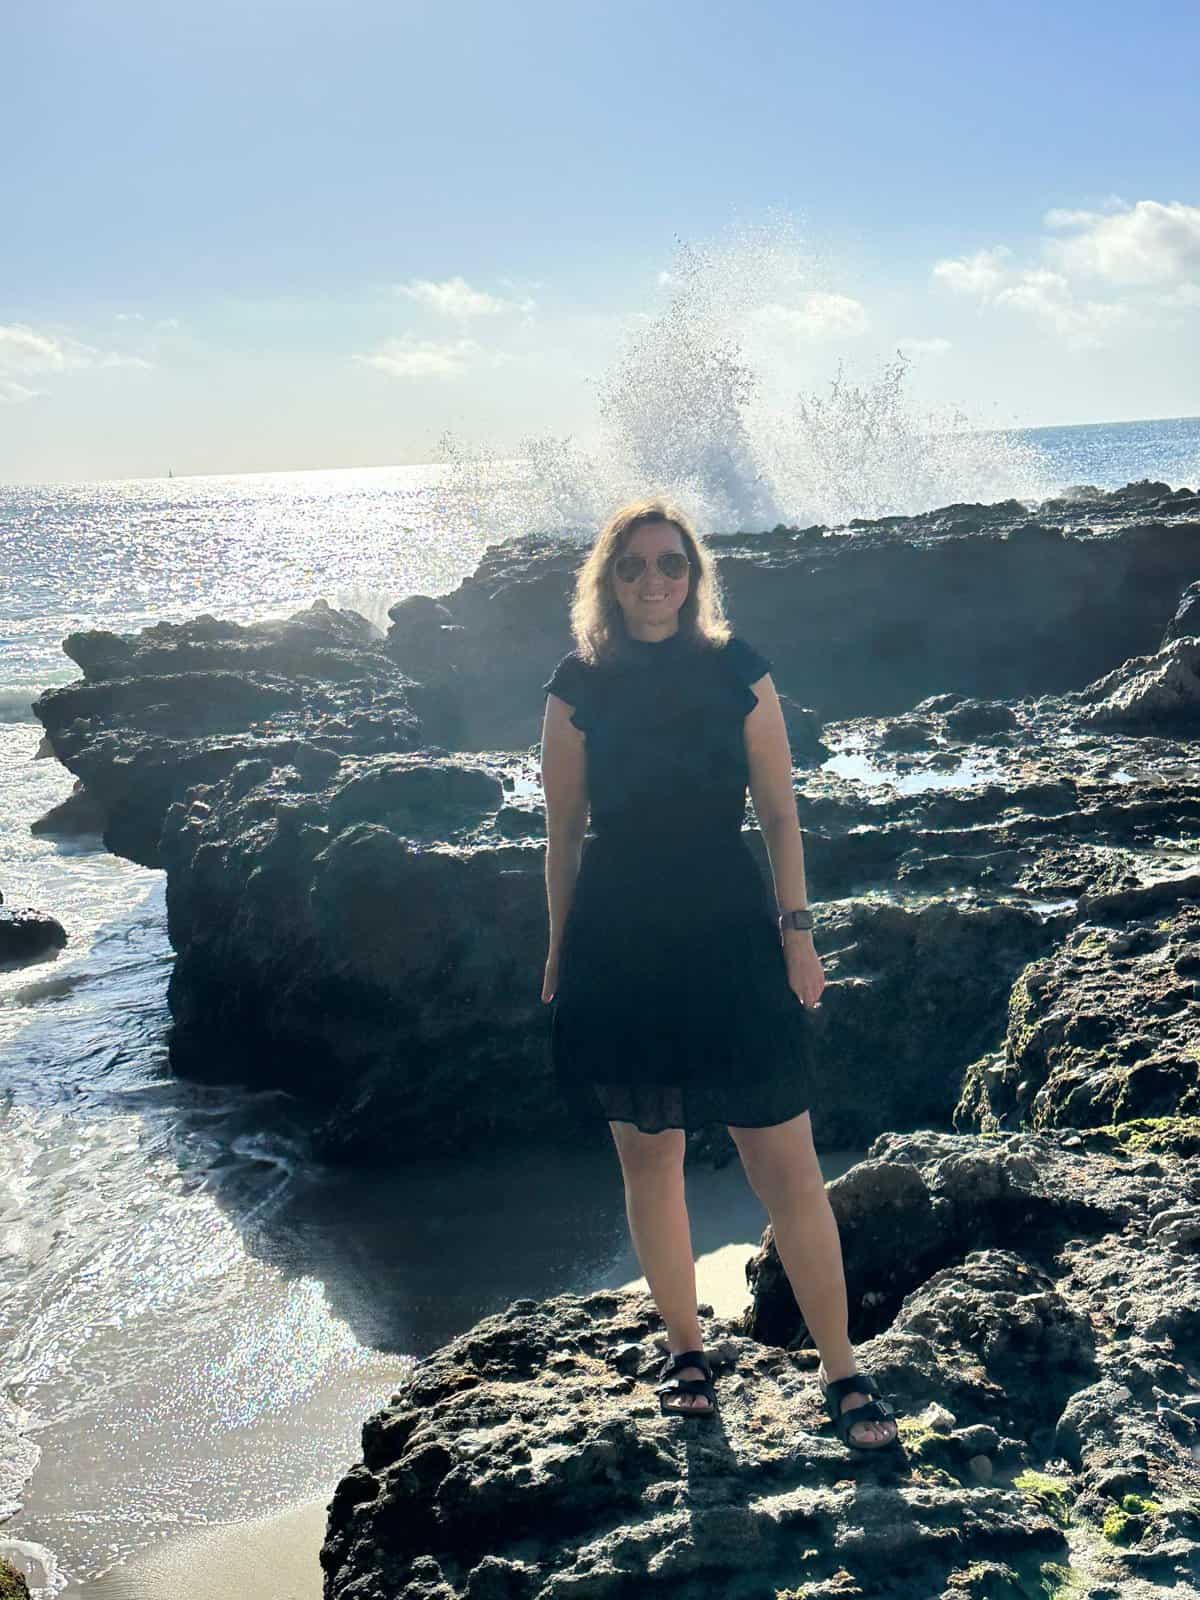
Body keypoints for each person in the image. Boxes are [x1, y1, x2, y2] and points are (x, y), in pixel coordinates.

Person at [539, 497, 899, 1450]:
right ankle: (687, 1352)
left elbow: (781, 815)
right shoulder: (575, 684)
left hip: (731, 932)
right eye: (633, 567)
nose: (653, 582)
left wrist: (798, 931)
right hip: (620, 938)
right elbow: (563, 834)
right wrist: (557, 944)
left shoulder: (739, 669)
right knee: (650, 1158)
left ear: (695, 578)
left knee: (785, 1160)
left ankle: (843, 1369)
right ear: (606, 582)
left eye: (671, 565)